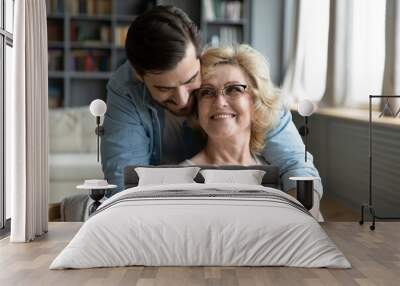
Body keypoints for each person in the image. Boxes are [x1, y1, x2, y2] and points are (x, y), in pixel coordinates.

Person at [101, 5, 323, 201]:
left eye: (190, 81)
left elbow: (296, 164)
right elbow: (127, 187)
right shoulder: (126, 91)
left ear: (200, 56)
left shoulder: (228, 75)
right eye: (164, 88)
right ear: (140, 76)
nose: (183, 100)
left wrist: (306, 220)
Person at [180, 45, 322, 220]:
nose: (220, 101)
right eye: (207, 92)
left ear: (256, 102)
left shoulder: (285, 179)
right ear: (197, 109)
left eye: (234, 89)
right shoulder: (181, 179)